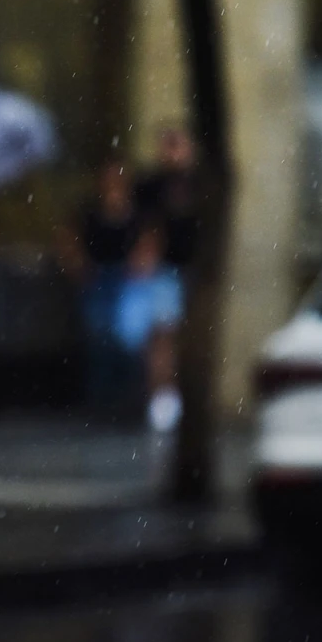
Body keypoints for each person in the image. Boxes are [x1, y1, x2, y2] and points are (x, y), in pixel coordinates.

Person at [59, 160, 151, 411]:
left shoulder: (137, 212)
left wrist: (140, 263)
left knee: (128, 338)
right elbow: (71, 239)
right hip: (97, 277)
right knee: (98, 337)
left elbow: (148, 241)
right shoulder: (89, 211)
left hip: (127, 279)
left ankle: (128, 399)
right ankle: (101, 401)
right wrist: (78, 265)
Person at [134, 128, 201, 433]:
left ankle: (178, 397)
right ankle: (162, 398)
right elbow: (145, 225)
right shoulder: (152, 186)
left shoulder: (200, 185)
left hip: (193, 269)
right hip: (164, 270)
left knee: (183, 338)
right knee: (162, 336)